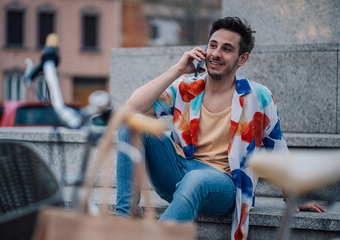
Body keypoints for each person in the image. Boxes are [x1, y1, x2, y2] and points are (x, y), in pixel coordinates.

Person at [116, 17, 325, 240]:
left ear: (242, 58)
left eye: (227, 49)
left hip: (223, 186)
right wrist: (178, 69)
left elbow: (277, 147)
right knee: (131, 123)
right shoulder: (188, 86)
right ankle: (122, 223)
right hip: (178, 171)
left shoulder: (258, 97)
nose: (215, 54)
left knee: (195, 180)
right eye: (213, 45)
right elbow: (132, 108)